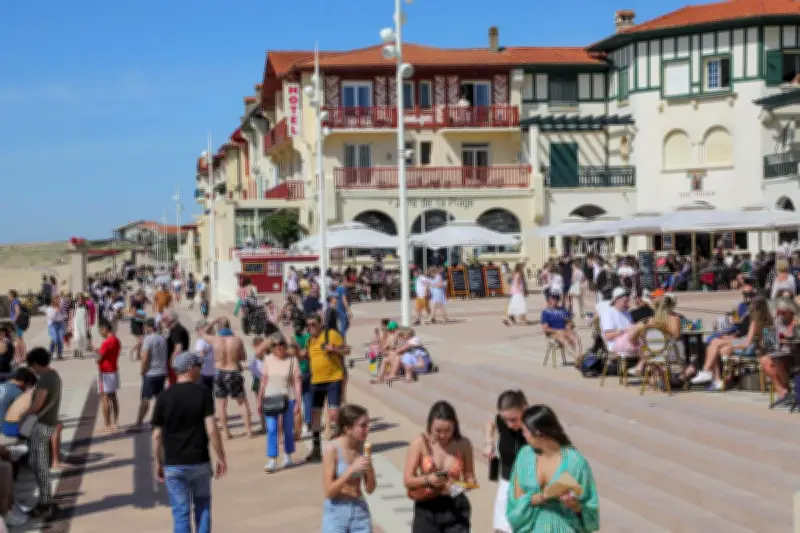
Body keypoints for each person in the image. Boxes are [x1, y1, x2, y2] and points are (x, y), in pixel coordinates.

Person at [152, 353, 227, 533]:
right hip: (199, 460)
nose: (200, 369)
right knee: (203, 505)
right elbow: (211, 428)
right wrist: (221, 457)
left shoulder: (164, 397)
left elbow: (156, 435)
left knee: (180, 512)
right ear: (190, 369)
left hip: (174, 463)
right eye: (198, 366)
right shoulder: (203, 393)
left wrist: (158, 462)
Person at [506, 405, 599, 533]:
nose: (523, 435)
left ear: (538, 434)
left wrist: (575, 505)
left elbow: (591, 513)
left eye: (524, 431)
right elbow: (515, 504)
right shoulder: (525, 456)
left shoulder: (575, 463)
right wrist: (544, 496)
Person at [403, 401, 476, 533]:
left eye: (448, 430)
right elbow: (408, 480)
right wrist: (428, 479)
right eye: (438, 431)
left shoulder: (464, 444)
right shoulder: (419, 443)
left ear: (455, 426)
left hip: (455, 505)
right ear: (430, 426)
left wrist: (467, 484)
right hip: (427, 506)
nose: (443, 435)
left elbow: (469, 475)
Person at [321, 404, 376, 533]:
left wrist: (369, 469)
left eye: (368, 424)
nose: (367, 429)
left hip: (359, 512)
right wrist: (351, 470)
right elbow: (329, 492)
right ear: (347, 429)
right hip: (336, 512)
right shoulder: (332, 449)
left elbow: (370, 489)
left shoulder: (363, 448)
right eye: (363, 425)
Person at [24, 348, 62, 519]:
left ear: (36, 364)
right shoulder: (54, 375)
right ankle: (45, 499)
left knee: (41, 466)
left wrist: (22, 415)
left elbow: (37, 405)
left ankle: (45, 502)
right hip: (49, 423)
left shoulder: (45, 379)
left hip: (42, 425)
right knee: (38, 462)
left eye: (32, 366)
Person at [198, 318, 253, 439]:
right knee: (242, 403)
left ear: (219, 328)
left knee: (221, 404)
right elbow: (243, 357)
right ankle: (248, 431)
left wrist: (213, 321)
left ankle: (226, 433)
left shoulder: (215, 340)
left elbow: (202, 333)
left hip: (219, 372)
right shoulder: (237, 340)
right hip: (233, 371)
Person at [305, 314, 350, 462]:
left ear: (320, 323)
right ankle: (316, 449)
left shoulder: (330, 334)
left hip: (333, 380)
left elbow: (347, 350)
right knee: (315, 416)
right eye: (308, 325)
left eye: (313, 324)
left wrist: (334, 348)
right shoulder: (310, 340)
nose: (311, 328)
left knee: (334, 414)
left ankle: (342, 447)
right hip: (316, 382)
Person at [483, 390, 527, 533]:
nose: (509, 424)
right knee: (501, 528)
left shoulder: (534, 428)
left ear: (524, 409)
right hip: (506, 482)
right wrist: (489, 442)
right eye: (505, 419)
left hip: (527, 487)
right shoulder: (501, 421)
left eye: (513, 419)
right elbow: (490, 424)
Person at [258, 334, 302, 472]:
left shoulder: (292, 360)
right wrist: (259, 399)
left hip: (288, 397)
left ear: (285, 345)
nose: (278, 347)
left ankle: (288, 456)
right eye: (275, 345)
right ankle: (272, 459)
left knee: (287, 427)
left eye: (281, 344)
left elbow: (297, 381)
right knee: (272, 428)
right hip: (270, 397)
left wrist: (298, 401)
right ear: (271, 347)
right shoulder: (267, 359)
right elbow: (264, 380)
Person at [130, 318, 168, 431]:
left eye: (145, 326)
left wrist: (143, 370)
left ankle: (139, 423)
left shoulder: (148, 339)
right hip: (161, 372)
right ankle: (156, 421)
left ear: (148, 327)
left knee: (145, 399)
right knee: (159, 399)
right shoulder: (163, 338)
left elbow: (145, 357)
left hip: (150, 373)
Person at [96, 320, 121, 432]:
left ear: (105, 329)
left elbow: (99, 358)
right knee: (113, 397)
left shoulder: (106, 342)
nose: (100, 333)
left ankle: (107, 424)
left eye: (100, 331)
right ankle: (115, 422)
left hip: (105, 372)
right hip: (114, 370)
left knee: (105, 397)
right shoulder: (116, 340)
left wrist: (97, 357)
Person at [0, 368, 37, 432]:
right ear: (23, 382)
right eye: (29, 386)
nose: (27, 389)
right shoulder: (18, 393)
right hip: (5, 429)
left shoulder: (2, 385)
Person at [163, 311, 191, 387]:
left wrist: (172, 363)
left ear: (171, 320)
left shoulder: (177, 330)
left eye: (165, 319)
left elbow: (178, 348)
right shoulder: (175, 329)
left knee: (174, 385)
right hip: (178, 363)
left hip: (175, 364)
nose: (163, 321)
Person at [194, 320, 215, 390]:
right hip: (213, 372)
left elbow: (200, 358)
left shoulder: (201, 341)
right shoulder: (213, 339)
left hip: (203, 373)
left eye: (197, 329)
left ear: (201, 329)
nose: (196, 331)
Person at [72, 294, 90, 359]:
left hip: (83, 324)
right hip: (76, 324)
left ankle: (80, 352)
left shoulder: (86, 306)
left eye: (81, 298)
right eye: (79, 298)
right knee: (77, 338)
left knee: (83, 338)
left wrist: (88, 326)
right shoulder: (75, 306)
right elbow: (72, 316)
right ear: (77, 299)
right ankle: (77, 349)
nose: (80, 299)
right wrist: (71, 326)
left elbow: (87, 317)